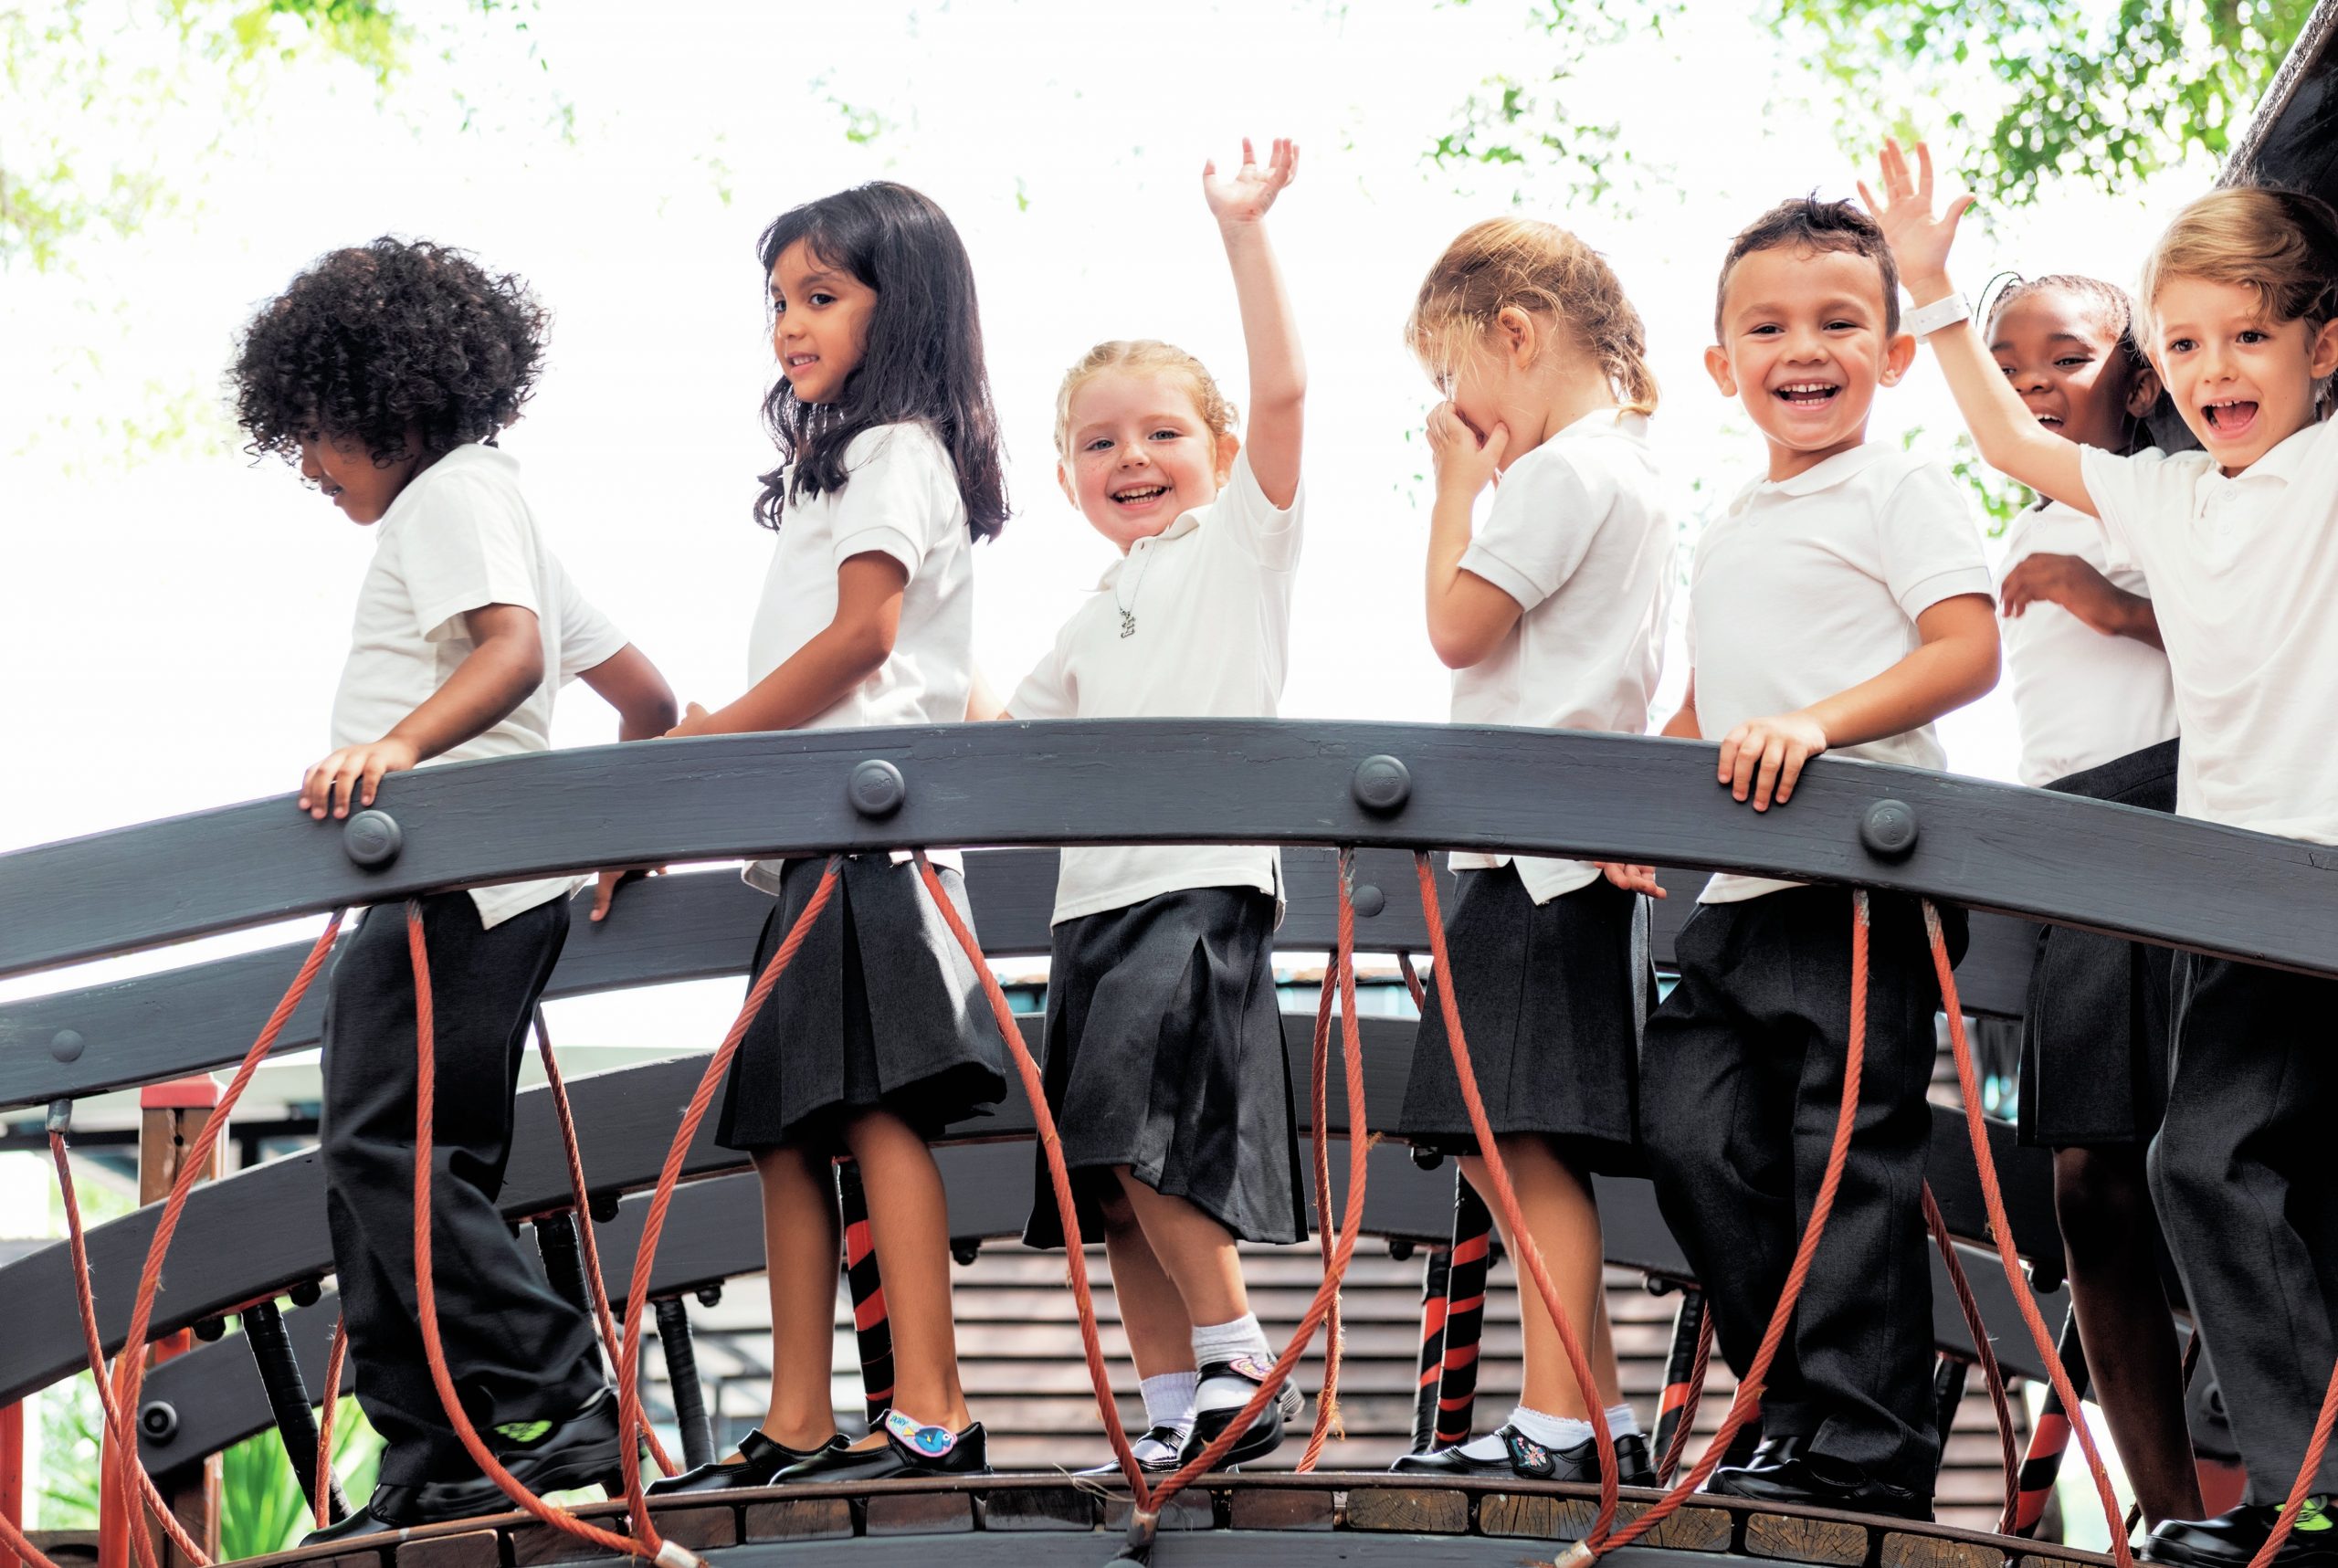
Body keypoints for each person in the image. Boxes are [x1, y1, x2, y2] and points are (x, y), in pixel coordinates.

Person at [1866, 141, 2338, 1568]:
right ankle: (2307, 1485)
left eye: (2252, 334)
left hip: (2320, 875)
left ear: (2327, 346)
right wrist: (1934, 288)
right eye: (2188, 341)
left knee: (2241, 1165)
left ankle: (2309, 1483)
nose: (2218, 367)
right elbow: (2013, 447)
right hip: (2230, 898)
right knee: (2220, 1168)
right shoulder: (2173, 498)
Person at [230, 237, 680, 1541]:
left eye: (316, 432)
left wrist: (398, 748)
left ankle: (556, 1381)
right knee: (407, 1165)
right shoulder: (499, 505)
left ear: (389, 402)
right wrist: (615, 827)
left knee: (378, 1150)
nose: (310, 465)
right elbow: (646, 700)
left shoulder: (454, 497)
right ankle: (432, 1444)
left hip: (448, 883)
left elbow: (514, 650)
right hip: (494, 888)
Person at [1624, 195, 1999, 1523]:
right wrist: (1639, 811)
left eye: (1841, 322)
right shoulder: (1732, 521)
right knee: (1689, 1127)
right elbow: (1706, 708)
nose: (1806, 347)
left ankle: (1867, 1440)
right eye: (1769, 325)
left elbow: (1965, 647)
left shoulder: (1899, 487)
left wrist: (1818, 727)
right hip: (1736, 893)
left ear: (1893, 355)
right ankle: (1788, 1404)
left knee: (1845, 1158)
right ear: (1723, 365)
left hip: (1859, 879)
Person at [648, 182, 1012, 1492]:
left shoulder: (897, 448)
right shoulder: (839, 464)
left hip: (870, 836)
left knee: (875, 1107)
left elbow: (866, 640)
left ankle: (931, 1401)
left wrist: (711, 746)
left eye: (821, 296)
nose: (788, 325)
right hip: (815, 839)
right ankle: (799, 1413)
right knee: (786, 1127)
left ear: (894, 306)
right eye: (780, 300)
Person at [998, 138, 1310, 1472]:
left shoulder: (1239, 544)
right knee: (1109, 1188)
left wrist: (1243, 232)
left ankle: (1246, 1358)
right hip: (1094, 913)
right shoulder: (1085, 613)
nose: (1132, 458)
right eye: (1098, 442)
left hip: (1194, 884)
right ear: (1067, 474)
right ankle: (1177, 1409)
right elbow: (994, 741)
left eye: (1164, 433)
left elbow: (1287, 391)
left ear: (1220, 450)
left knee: (1152, 1147)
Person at [1383, 216, 1670, 1487]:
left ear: (1516, 332)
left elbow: (1457, 626)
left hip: (1534, 859)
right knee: (1518, 1144)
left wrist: (1456, 484)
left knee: (1521, 1146)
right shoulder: (1635, 474)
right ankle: (1591, 1408)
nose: (1452, 409)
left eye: (1453, 377)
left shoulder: (1561, 476)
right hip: (1558, 849)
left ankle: (1556, 1420)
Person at [1986, 271, 2196, 1531]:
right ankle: (2165, 1508)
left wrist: (2100, 597)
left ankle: (2286, 1485)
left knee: (2210, 1158)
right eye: (2008, 372)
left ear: (2133, 376)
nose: (2031, 390)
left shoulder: (2178, 490)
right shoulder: (2018, 527)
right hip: (2069, 843)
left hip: (2178, 814)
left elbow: (2255, 631)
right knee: (2086, 1182)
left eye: (2062, 360)